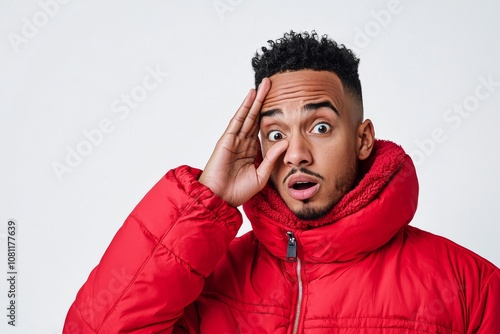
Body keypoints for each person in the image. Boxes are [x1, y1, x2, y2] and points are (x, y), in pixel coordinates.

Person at [63, 31, 499, 333]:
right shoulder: (207, 282)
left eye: (321, 127)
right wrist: (207, 200)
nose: (295, 154)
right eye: (275, 134)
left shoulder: (470, 287)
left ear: (363, 139)